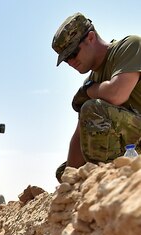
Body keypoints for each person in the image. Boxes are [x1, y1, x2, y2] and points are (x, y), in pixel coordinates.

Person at [52, 12, 141, 183]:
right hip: (128, 144)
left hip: (135, 140)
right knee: (66, 172)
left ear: (91, 37)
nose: (71, 62)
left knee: (92, 108)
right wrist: (68, 182)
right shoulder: (91, 81)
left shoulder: (130, 46)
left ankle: (105, 182)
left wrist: (89, 91)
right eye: (66, 60)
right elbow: (80, 134)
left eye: (73, 53)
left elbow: (117, 94)